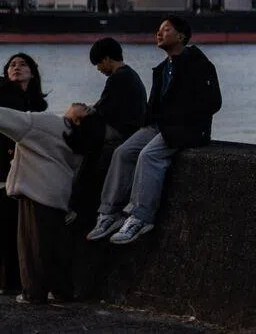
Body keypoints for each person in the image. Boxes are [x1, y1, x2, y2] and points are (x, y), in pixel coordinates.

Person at [87, 16, 222, 245]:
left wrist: (179, 118)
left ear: (181, 36)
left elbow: (213, 102)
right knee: (122, 152)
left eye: (165, 30)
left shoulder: (198, 63)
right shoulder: (162, 69)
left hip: (186, 128)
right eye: (158, 30)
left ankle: (141, 217)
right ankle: (110, 213)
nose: (158, 34)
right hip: (160, 126)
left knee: (149, 156)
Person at [0, 97, 80, 303]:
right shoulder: (80, 137)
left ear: (78, 118)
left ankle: (33, 293)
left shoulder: (46, 123)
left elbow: (6, 118)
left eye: (85, 107)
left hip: (36, 188)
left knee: (31, 245)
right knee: (55, 245)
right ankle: (62, 291)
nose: (81, 103)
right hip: (59, 191)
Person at [63, 38, 147, 225]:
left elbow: (101, 109)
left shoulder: (118, 78)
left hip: (122, 130)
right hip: (131, 128)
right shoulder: (131, 75)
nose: (99, 69)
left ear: (108, 59)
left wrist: (79, 113)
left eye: (99, 63)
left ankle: (72, 200)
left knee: (79, 131)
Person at [0, 54, 48, 296]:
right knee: (7, 223)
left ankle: (16, 280)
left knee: (19, 226)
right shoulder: (2, 95)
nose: (16, 68)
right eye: (12, 65)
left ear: (33, 71)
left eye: (22, 64)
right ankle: (10, 282)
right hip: (4, 166)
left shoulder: (39, 104)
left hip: (27, 168)